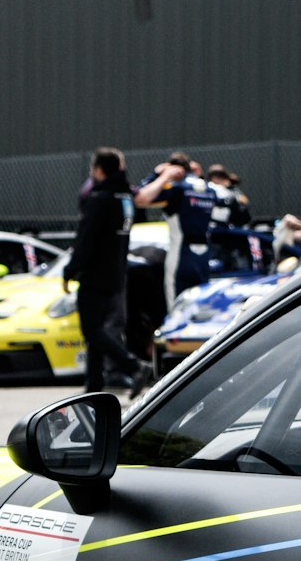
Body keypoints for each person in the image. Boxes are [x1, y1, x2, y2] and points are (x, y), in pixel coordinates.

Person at [62, 147, 152, 396]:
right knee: (98, 330)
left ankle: (133, 366)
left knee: (91, 330)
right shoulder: (125, 198)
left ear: (98, 170)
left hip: (95, 274)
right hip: (116, 273)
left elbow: (86, 240)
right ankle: (94, 385)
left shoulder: (99, 198)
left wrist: (70, 270)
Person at [134, 151, 217, 308]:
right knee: (200, 303)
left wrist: (156, 175)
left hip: (181, 254)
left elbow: (140, 198)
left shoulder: (176, 188)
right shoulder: (209, 189)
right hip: (204, 256)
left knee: (176, 305)